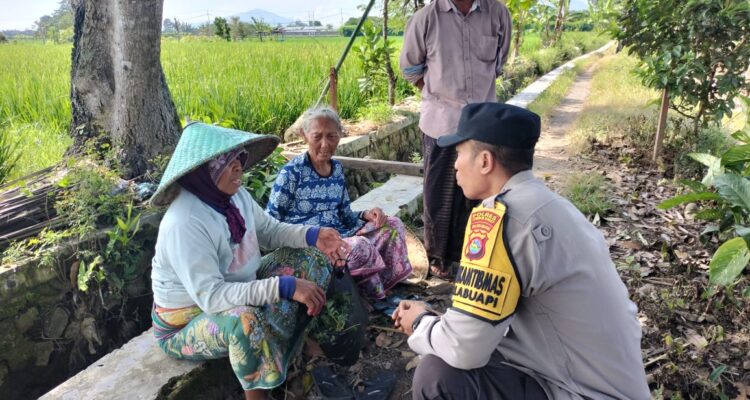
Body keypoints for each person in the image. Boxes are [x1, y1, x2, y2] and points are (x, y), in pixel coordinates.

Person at [392, 103, 650, 400]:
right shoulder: (554, 207)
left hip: (578, 390)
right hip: (603, 382)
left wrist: (421, 324)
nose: (455, 164)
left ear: (485, 161)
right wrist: (443, 323)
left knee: (437, 375)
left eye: (460, 153)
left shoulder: (500, 218)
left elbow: (464, 350)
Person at [149, 122, 351, 400]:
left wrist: (314, 236)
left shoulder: (233, 196)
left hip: (240, 285)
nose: (238, 167)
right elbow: (213, 297)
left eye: (239, 159)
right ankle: (259, 395)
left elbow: (269, 230)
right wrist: (284, 286)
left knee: (311, 259)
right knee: (244, 321)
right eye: (227, 162)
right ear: (201, 172)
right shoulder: (185, 223)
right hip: (187, 320)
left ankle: (287, 355)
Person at [400, 0, 512, 278]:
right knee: (439, 193)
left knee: (480, 192)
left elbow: (498, 64)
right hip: (441, 122)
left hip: (483, 125)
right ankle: (438, 258)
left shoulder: (498, 14)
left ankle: (475, 256)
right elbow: (411, 69)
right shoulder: (426, 19)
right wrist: (438, 94)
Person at [266, 107, 413, 300]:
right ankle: (371, 298)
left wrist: (366, 215)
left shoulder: (336, 170)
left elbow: (345, 215)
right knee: (360, 247)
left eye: (332, 136)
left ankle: (386, 285)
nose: (325, 144)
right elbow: (270, 222)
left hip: (340, 235)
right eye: (317, 137)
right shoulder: (291, 173)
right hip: (310, 244)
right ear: (304, 135)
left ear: (340, 136)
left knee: (392, 225)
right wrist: (306, 237)